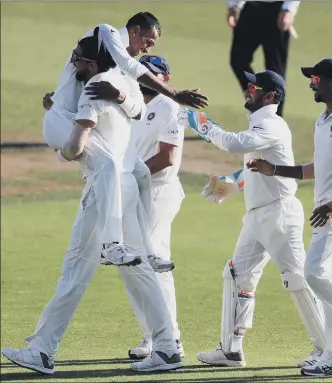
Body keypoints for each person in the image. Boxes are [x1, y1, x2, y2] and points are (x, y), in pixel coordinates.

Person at [2, 36, 183, 374]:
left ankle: (42, 351)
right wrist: (58, 108)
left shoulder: (94, 87)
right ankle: (167, 347)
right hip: (126, 183)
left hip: (104, 190)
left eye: (79, 60)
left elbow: (77, 144)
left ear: (94, 64)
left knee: (75, 271)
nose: (74, 64)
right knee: (140, 270)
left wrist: (61, 146)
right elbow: (135, 109)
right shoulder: (122, 82)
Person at [246, 59, 332, 377]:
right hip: (328, 211)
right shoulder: (323, 120)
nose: (311, 82)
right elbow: (317, 168)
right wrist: (275, 170)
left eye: (316, 78)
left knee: (314, 272)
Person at [177, 70, 327, 368]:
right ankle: (231, 351)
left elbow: (233, 144)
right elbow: (255, 168)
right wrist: (229, 182)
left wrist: (199, 122)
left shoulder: (272, 124)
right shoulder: (259, 125)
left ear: (269, 96)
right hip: (258, 217)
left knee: (296, 279)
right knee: (236, 274)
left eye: (253, 87)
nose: (247, 89)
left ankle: (329, 349)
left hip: (279, 213)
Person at [42, 12, 208, 268]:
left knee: (139, 172)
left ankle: (149, 250)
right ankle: (110, 246)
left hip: (73, 119)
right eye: (148, 40)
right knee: (108, 166)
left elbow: (139, 110)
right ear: (134, 30)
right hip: (62, 121)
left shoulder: (120, 66)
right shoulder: (106, 33)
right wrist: (174, 93)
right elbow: (128, 68)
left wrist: (119, 95)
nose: (147, 48)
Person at [127, 55, 185, 361]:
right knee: (132, 265)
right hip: (135, 191)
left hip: (159, 192)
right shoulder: (135, 105)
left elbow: (167, 158)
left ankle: (170, 338)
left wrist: (130, 175)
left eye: (152, 74)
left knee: (154, 263)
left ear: (163, 77)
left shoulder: (168, 107)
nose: (145, 79)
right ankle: (153, 335)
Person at [227, 0, 300, 117]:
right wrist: (232, 6)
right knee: (238, 61)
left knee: (275, 71)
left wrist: (289, 9)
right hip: (251, 8)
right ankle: (258, 102)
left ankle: (275, 120)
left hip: (277, 9)